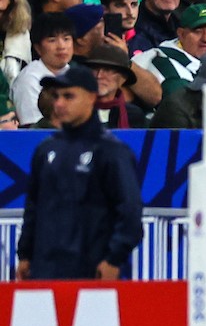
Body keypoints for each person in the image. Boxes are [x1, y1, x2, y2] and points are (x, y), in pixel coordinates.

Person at [12, 63, 140, 279]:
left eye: (68, 96)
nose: (59, 104)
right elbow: (33, 207)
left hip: (92, 269)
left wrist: (113, 259)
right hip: (45, 268)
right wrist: (25, 255)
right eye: (56, 96)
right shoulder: (46, 150)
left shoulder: (111, 151)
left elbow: (129, 210)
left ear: (91, 97)